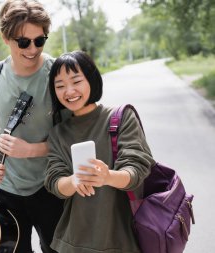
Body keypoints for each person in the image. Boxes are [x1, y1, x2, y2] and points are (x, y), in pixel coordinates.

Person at [44, 50, 155, 253]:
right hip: (74, 242)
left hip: (122, 240)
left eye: (76, 81)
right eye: (60, 85)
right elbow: (54, 182)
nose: (69, 91)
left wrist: (107, 176)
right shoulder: (58, 133)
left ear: (92, 80)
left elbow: (137, 168)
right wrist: (74, 181)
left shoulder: (121, 117)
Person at [0, 0, 63, 252]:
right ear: (6, 38)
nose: (32, 49)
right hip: (6, 191)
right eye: (23, 42)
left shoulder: (57, 74)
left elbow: (73, 137)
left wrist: (31, 150)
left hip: (51, 187)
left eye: (40, 40)